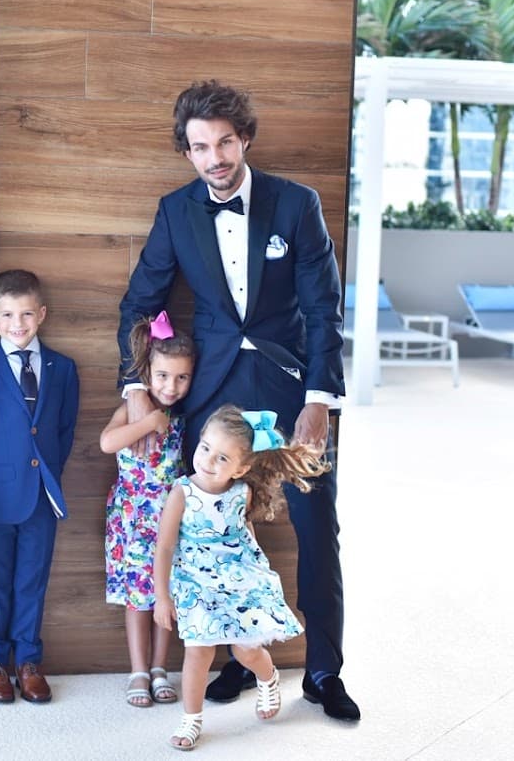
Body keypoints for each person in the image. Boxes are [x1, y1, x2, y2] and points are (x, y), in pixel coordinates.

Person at [118, 80, 360, 721]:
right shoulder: (175, 212)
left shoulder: (296, 205)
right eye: (200, 146)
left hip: (289, 394)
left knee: (316, 531)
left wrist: (319, 401)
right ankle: (232, 661)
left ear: (244, 138)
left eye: (224, 141)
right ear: (188, 152)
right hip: (215, 398)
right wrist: (139, 390)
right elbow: (140, 303)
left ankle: (325, 671)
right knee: (213, 538)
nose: (215, 157)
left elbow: (323, 309)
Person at [154, 405, 331, 750]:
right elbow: (164, 546)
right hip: (196, 581)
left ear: (242, 468)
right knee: (199, 653)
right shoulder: (182, 493)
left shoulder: (241, 492)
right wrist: (163, 596)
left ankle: (268, 677)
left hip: (237, 577)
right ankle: (191, 721)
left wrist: (255, 572)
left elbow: (243, 530)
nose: (206, 461)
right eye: (205, 448)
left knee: (246, 650)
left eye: (222, 458)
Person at [0, 269, 80, 705]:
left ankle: (28, 660)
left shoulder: (63, 369)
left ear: (42, 314)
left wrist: (46, 472)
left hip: (42, 493)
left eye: (27, 313)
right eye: (7, 314)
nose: (18, 324)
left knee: (32, 579)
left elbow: (64, 431)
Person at [101, 310, 195, 708]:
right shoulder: (136, 409)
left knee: (164, 594)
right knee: (137, 598)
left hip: (171, 521)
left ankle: (160, 668)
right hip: (132, 519)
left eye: (181, 377)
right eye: (162, 376)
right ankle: (138, 669)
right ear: (147, 372)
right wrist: (148, 423)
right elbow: (107, 443)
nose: (170, 386)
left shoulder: (185, 416)